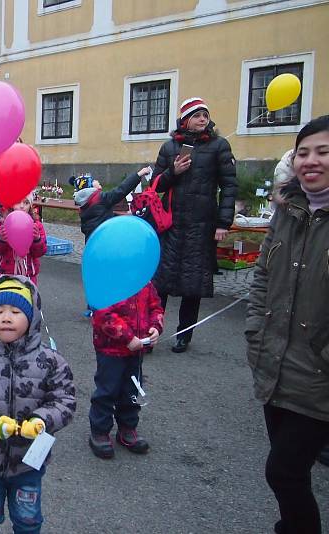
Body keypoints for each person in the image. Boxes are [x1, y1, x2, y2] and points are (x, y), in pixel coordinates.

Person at [246, 115, 329, 534]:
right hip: (275, 362)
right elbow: (262, 276)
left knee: (283, 471)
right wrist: (256, 336)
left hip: (318, 374)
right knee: (289, 469)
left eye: (324, 151)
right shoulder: (289, 210)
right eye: (303, 152)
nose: (311, 161)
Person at [0, 276, 76, 533]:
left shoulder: (51, 361)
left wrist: (41, 421)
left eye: (16, 311)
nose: (6, 317)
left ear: (32, 318)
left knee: (28, 519)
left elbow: (64, 400)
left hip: (28, 462)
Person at [152, 97, 237, 353]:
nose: (203, 119)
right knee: (160, 283)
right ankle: (152, 330)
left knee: (193, 283)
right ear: (185, 119)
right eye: (197, 115)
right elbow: (155, 185)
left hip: (202, 225)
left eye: (205, 115)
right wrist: (172, 172)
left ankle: (184, 334)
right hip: (172, 225)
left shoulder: (219, 146)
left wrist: (223, 222)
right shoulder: (169, 148)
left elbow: (229, 186)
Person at [88, 282, 163, 459]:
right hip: (111, 350)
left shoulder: (146, 282)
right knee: (107, 390)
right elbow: (103, 314)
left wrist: (155, 327)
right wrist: (127, 337)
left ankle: (127, 428)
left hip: (137, 349)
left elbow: (156, 307)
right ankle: (99, 431)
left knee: (131, 390)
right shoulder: (107, 282)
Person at [73, 166, 153, 241]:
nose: (97, 181)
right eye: (93, 180)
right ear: (89, 186)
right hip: (105, 239)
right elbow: (122, 190)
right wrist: (139, 174)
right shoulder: (101, 199)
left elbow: (99, 218)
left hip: (92, 242)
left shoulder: (83, 204)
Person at [0, 193, 47, 285]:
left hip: (28, 275)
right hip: (5, 274)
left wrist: (37, 239)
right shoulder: (3, 224)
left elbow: (40, 252)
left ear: (31, 205)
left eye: (26, 203)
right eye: (17, 202)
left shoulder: (36, 225)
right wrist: (1, 240)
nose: (22, 206)